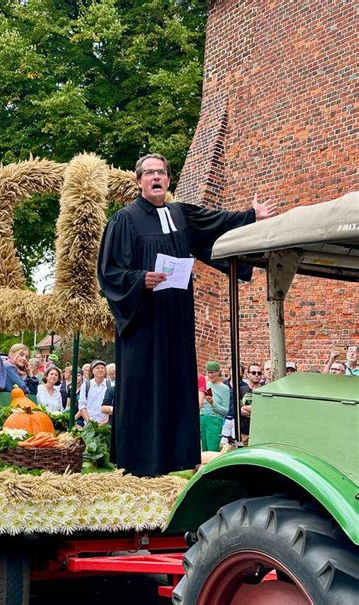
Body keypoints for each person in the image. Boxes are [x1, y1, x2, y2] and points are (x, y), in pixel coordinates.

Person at [97, 153, 276, 476]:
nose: (155, 178)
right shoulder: (125, 219)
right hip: (144, 322)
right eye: (149, 173)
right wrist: (141, 280)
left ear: (168, 180)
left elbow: (213, 223)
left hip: (176, 320)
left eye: (161, 173)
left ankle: (176, 459)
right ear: (139, 181)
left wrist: (251, 216)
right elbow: (109, 271)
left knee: (177, 383)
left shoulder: (180, 214)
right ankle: (138, 462)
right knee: (145, 387)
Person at [200, 361, 230, 452]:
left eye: (213, 372)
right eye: (208, 372)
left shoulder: (224, 388)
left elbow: (225, 411)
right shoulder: (205, 386)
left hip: (215, 420)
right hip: (202, 419)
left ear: (218, 372)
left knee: (213, 449)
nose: (210, 374)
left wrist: (213, 403)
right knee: (203, 450)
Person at [78, 360, 110, 425]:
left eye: (102, 368)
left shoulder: (111, 385)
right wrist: (88, 421)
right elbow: (82, 405)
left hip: (106, 425)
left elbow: (113, 405)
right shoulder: (86, 385)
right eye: (97, 368)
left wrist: (105, 422)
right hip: (88, 424)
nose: (100, 370)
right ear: (93, 371)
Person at [239, 363, 264, 445]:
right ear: (248, 374)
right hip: (243, 432)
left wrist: (245, 408)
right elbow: (238, 410)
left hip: (259, 432)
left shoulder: (264, 390)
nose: (256, 375)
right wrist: (255, 410)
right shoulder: (241, 389)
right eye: (253, 373)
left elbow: (263, 410)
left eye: (259, 373)